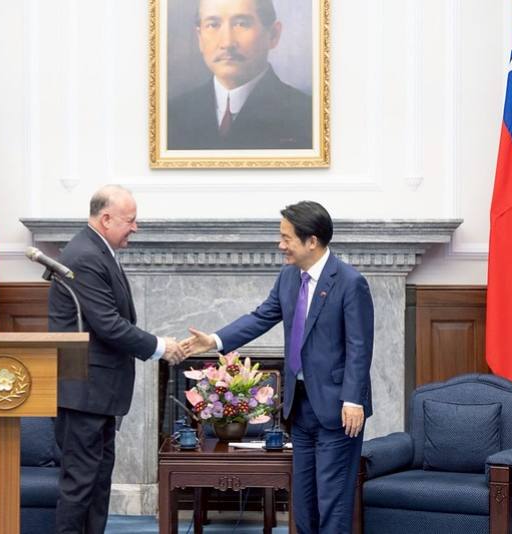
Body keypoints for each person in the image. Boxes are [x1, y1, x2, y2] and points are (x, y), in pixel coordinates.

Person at [182, 201, 374, 534]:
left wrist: (353, 399)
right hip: (299, 407)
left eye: (286, 237)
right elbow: (259, 318)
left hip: (338, 408)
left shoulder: (349, 282)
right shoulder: (288, 277)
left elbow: (360, 346)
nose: (280, 244)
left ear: (311, 241)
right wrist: (214, 340)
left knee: (333, 501)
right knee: (303, 500)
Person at [49, 185, 187, 534]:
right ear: (106, 218)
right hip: (83, 392)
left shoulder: (97, 250)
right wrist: (160, 346)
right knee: (81, 485)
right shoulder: (85, 255)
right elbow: (108, 324)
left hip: (96, 395)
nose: (135, 228)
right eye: (131, 220)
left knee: (96, 484)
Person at [167, 0, 312, 150]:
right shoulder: (171, 116)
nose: (227, 43)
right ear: (200, 38)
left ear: (273, 35)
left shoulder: (308, 116)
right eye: (213, 25)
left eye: (241, 24)